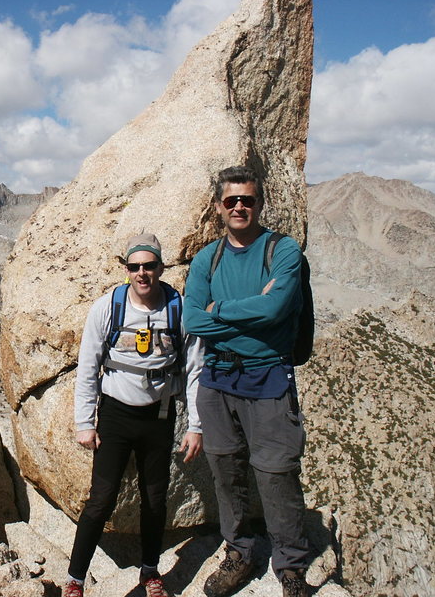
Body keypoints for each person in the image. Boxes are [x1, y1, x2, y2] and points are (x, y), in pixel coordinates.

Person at [183, 166, 310, 597]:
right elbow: (193, 320)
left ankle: (290, 566)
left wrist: (220, 311)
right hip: (217, 382)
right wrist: (247, 310)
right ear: (219, 206)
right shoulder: (207, 258)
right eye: (231, 200)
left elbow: (276, 311)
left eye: (248, 199)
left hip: (269, 378)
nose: (240, 206)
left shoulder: (284, 250)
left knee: (276, 474)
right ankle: (239, 552)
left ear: (260, 203)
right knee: (227, 473)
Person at [63, 233, 204, 597]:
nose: (142, 273)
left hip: (159, 416)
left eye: (150, 266)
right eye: (135, 267)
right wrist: (84, 422)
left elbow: (194, 369)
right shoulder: (108, 307)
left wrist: (196, 426)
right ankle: (75, 579)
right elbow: (88, 365)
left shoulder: (179, 308)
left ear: (161, 267)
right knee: (102, 499)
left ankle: (151, 572)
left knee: (155, 498)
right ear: (127, 270)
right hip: (115, 415)